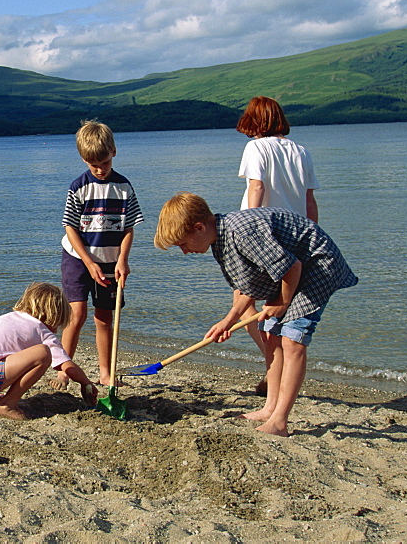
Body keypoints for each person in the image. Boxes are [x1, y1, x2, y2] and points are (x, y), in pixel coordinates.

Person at [154, 192, 357, 437]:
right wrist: (227, 322)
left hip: (316, 265)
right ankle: (269, 408)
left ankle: (280, 421)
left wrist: (282, 301)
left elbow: (293, 266)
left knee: (293, 340)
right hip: (290, 273)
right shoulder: (219, 241)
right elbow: (246, 288)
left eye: (183, 244)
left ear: (199, 227)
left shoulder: (241, 233)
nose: (185, 252)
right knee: (269, 335)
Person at [236, 96, 320, 394]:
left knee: (244, 304)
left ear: (253, 121)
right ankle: (275, 366)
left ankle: (273, 363)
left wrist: (246, 231)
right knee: (279, 311)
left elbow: (256, 186)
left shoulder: (256, 147)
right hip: (297, 237)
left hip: (264, 237)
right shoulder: (302, 151)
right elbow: (309, 200)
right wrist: (313, 238)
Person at [56, 120, 143, 387]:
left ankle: (106, 373)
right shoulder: (78, 187)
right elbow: (70, 227)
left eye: (104, 163)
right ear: (83, 159)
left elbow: (129, 228)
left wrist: (123, 260)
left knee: (104, 317)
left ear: (113, 152)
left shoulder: (124, 187)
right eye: (93, 164)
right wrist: (87, 262)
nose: (100, 169)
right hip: (78, 257)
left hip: (110, 260)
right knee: (77, 313)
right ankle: (63, 368)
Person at [0, 282, 99, 421]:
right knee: (43, 353)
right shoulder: (42, 330)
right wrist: (85, 383)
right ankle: (7, 404)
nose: (57, 329)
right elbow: (67, 365)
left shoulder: (9, 317)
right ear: (53, 316)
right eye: (58, 324)